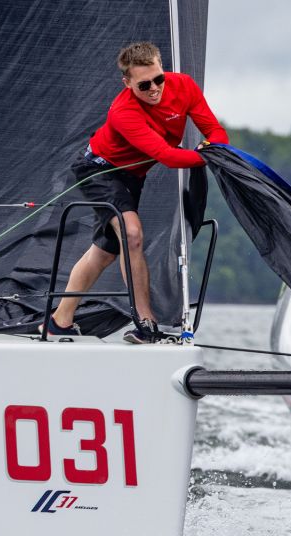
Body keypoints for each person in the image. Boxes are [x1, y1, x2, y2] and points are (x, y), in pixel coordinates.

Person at [43, 41, 228, 343]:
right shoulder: (123, 111)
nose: (154, 89)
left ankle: (58, 322)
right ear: (127, 83)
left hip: (132, 176)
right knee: (132, 234)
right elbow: (168, 156)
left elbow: (216, 133)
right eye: (144, 85)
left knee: (104, 252)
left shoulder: (184, 86)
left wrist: (214, 148)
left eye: (159, 79)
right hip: (99, 170)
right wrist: (207, 155)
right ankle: (146, 323)